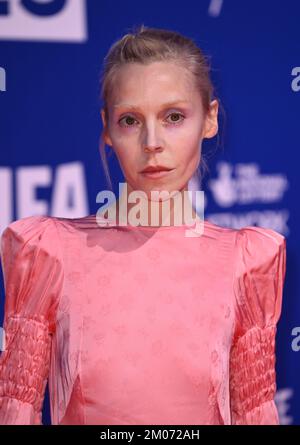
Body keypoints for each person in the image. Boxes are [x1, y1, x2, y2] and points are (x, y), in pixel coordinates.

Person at [0, 25, 286, 425]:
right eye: (131, 120)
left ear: (210, 119)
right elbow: (16, 412)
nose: (152, 142)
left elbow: (255, 417)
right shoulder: (48, 252)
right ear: (108, 128)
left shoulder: (246, 262)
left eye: (173, 117)